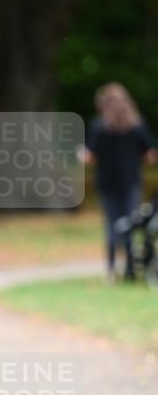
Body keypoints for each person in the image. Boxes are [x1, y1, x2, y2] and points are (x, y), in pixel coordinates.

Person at [84, 83, 157, 281]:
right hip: (131, 182)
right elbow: (150, 154)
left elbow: (91, 157)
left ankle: (111, 269)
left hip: (107, 183)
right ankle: (130, 269)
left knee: (111, 226)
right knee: (130, 224)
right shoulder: (137, 125)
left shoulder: (99, 126)